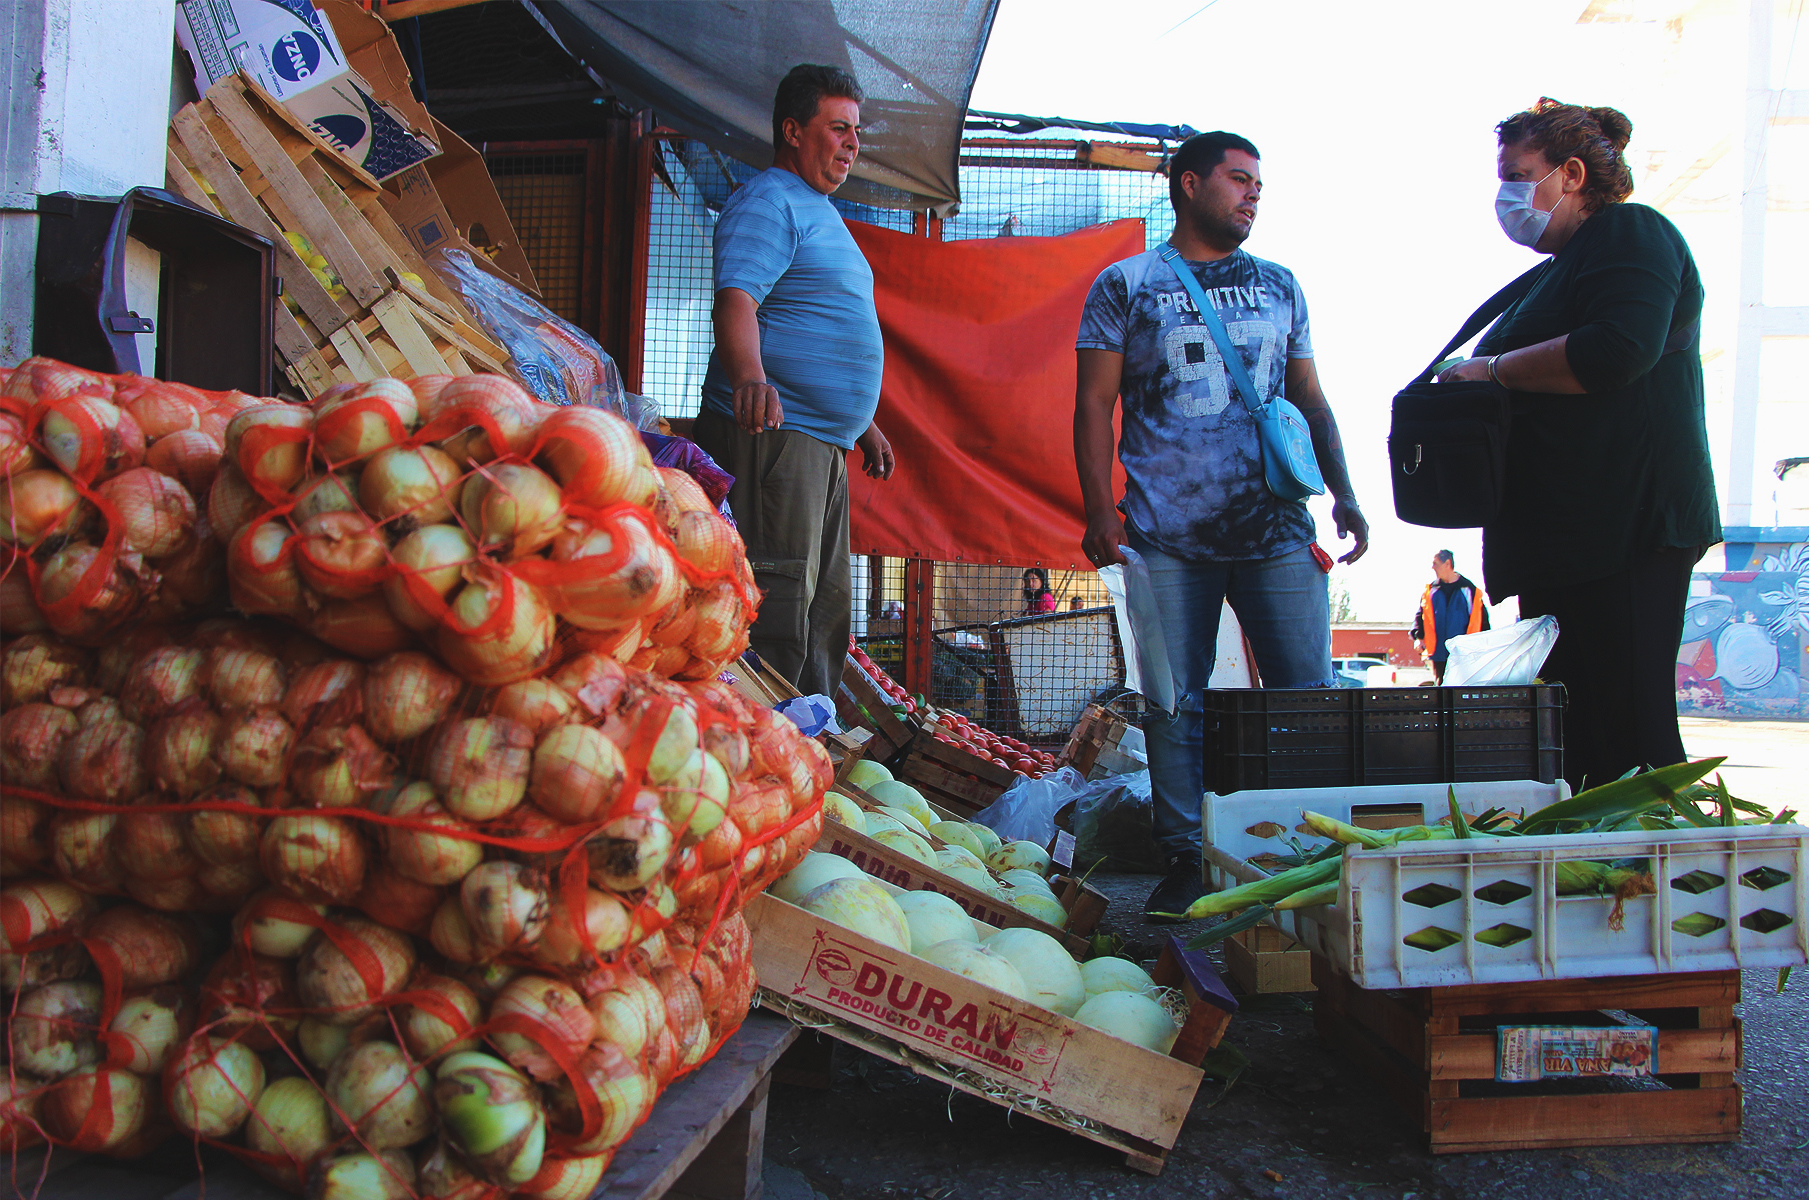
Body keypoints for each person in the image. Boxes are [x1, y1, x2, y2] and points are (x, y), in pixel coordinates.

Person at [1072, 131, 1370, 921]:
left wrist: (1343, 492)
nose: (1251, 194)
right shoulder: (1125, 284)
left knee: (1305, 699)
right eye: (1238, 180)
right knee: (1173, 703)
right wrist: (1099, 511)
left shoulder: (1279, 284)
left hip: (1276, 532)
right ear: (1188, 184)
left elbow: (1310, 399)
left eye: (1257, 185)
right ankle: (1184, 860)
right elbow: (1092, 404)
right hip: (1165, 534)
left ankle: (1305, 858)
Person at [1435, 99, 1718, 790]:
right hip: (1566, 535)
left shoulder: (1630, 231)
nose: (1505, 195)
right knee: (1580, 742)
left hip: (1624, 526)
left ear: (1569, 174)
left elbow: (1617, 349)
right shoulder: (1558, 269)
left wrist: (1491, 371)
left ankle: (1660, 854)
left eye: (1517, 175)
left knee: (1631, 736)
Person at [691, 64, 896, 697]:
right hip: (775, 440)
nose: (852, 144)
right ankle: (758, 737)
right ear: (792, 131)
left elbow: (812, 319)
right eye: (838, 128)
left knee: (824, 610)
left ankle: (811, 739)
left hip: (821, 446)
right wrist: (749, 377)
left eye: (856, 131)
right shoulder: (769, 200)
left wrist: (863, 424)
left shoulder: (818, 210)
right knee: (774, 606)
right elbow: (737, 300)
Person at [1412, 550, 1490, 682]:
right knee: (1441, 686)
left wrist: (1482, 646)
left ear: (1447, 564)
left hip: (1463, 653)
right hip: (1438, 652)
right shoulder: (1430, 590)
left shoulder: (1469, 590)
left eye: (1436, 564)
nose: (1432, 567)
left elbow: (1482, 621)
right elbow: (1421, 616)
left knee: (1462, 686)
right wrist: (1418, 637)